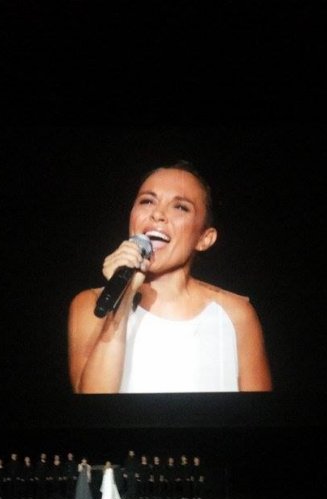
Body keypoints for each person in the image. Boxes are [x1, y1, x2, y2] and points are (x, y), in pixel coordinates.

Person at [68, 160, 273, 393]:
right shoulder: (93, 304)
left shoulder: (236, 314)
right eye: (147, 201)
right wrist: (122, 303)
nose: (157, 214)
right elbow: (93, 410)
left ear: (204, 238)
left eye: (181, 207)